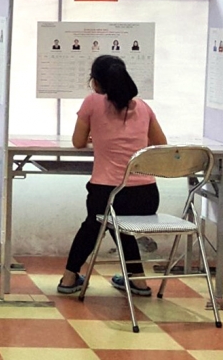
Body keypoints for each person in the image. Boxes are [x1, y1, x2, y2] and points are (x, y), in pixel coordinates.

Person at [57, 55, 166, 298]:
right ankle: (137, 281)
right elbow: (160, 144)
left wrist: (98, 135)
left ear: (96, 82)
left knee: (96, 222)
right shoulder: (144, 107)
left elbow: (78, 142)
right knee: (118, 225)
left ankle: (69, 277)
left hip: (107, 193)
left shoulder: (92, 102)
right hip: (146, 196)